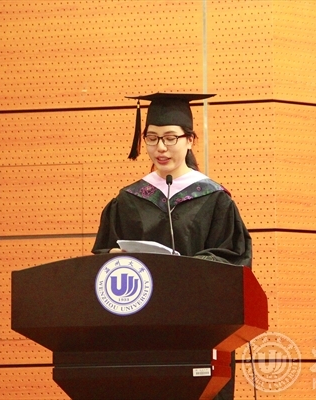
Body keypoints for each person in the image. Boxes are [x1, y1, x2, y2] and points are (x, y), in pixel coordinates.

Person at [92, 92, 252, 400]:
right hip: (141, 330)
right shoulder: (128, 200)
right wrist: (113, 258)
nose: (160, 148)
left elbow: (235, 260)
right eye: (152, 138)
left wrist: (186, 270)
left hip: (201, 330)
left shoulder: (214, 199)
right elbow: (101, 259)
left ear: (189, 140)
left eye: (169, 138)